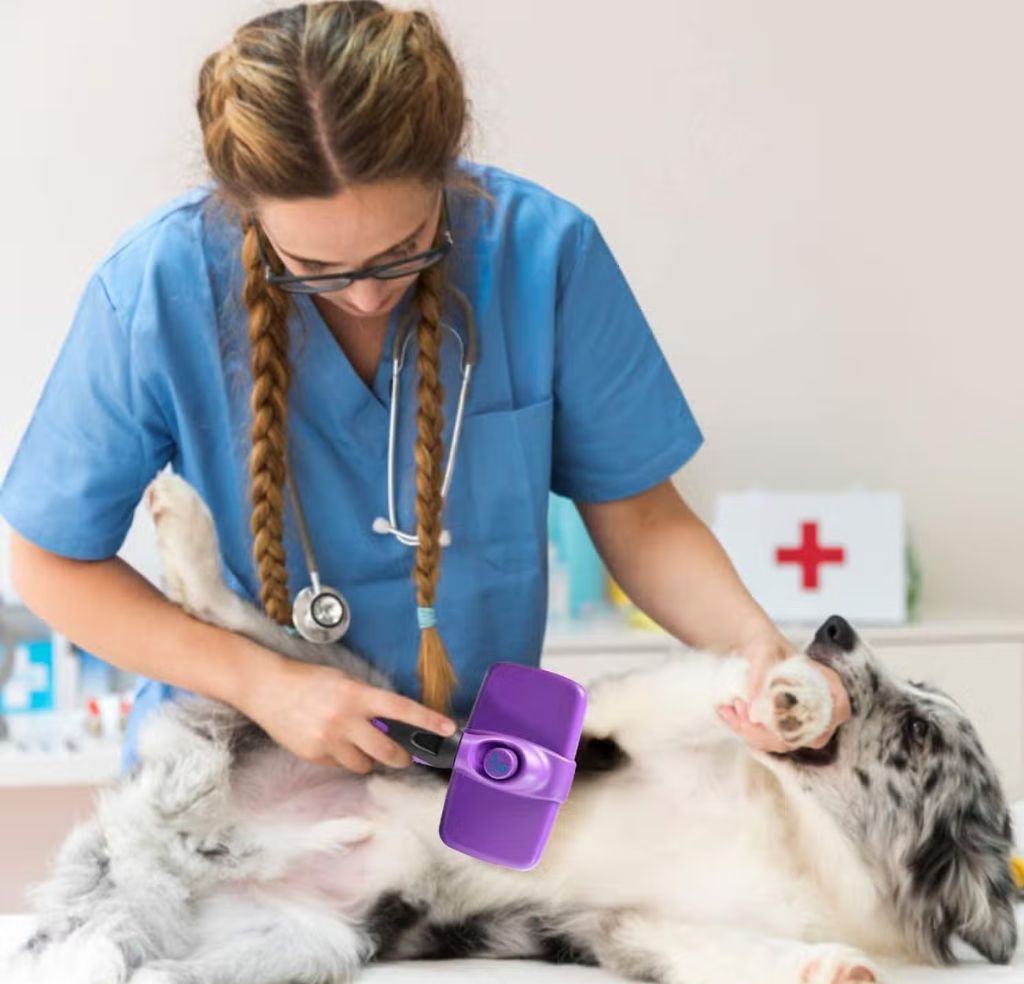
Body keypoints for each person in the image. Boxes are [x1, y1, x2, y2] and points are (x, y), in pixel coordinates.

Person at [0, 1, 849, 778]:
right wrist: (265, 686)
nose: (368, 295)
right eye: (315, 270)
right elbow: (48, 560)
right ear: (245, 212)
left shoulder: (543, 256)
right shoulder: (157, 289)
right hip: (237, 767)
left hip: (474, 775)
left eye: (405, 248)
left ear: (449, 174)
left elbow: (643, 518)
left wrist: (759, 655)